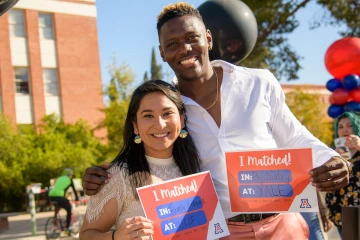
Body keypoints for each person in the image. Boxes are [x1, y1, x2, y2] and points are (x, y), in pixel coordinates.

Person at [82, 2, 351, 239]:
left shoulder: (258, 82)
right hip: (221, 232)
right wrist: (101, 178)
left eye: (192, 38)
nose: (185, 49)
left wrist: (334, 159)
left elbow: (294, 136)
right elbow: (149, 154)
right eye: (172, 44)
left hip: (283, 224)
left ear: (208, 39)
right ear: (162, 53)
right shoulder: (169, 110)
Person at [79, 80, 202, 239]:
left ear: (182, 119)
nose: (159, 124)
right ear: (135, 125)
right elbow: (86, 235)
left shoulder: (196, 167)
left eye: (167, 113)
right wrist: (116, 237)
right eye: (148, 115)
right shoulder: (118, 176)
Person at [326, 111, 360, 235]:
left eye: (349, 125)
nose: (345, 130)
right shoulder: (333, 154)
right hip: (342, 214)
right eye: (340, 127)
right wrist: (332, 161)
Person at [48, 168, 79, 232]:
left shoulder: (59, 178)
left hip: (51, 196)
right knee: (69, 209)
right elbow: (74, 190)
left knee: (58, 207)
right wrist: (77, 199)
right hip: (59, 196)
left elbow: (61, 189)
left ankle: (55, 220)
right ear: (69, 174)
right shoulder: (69, 180)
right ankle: (67, 227)